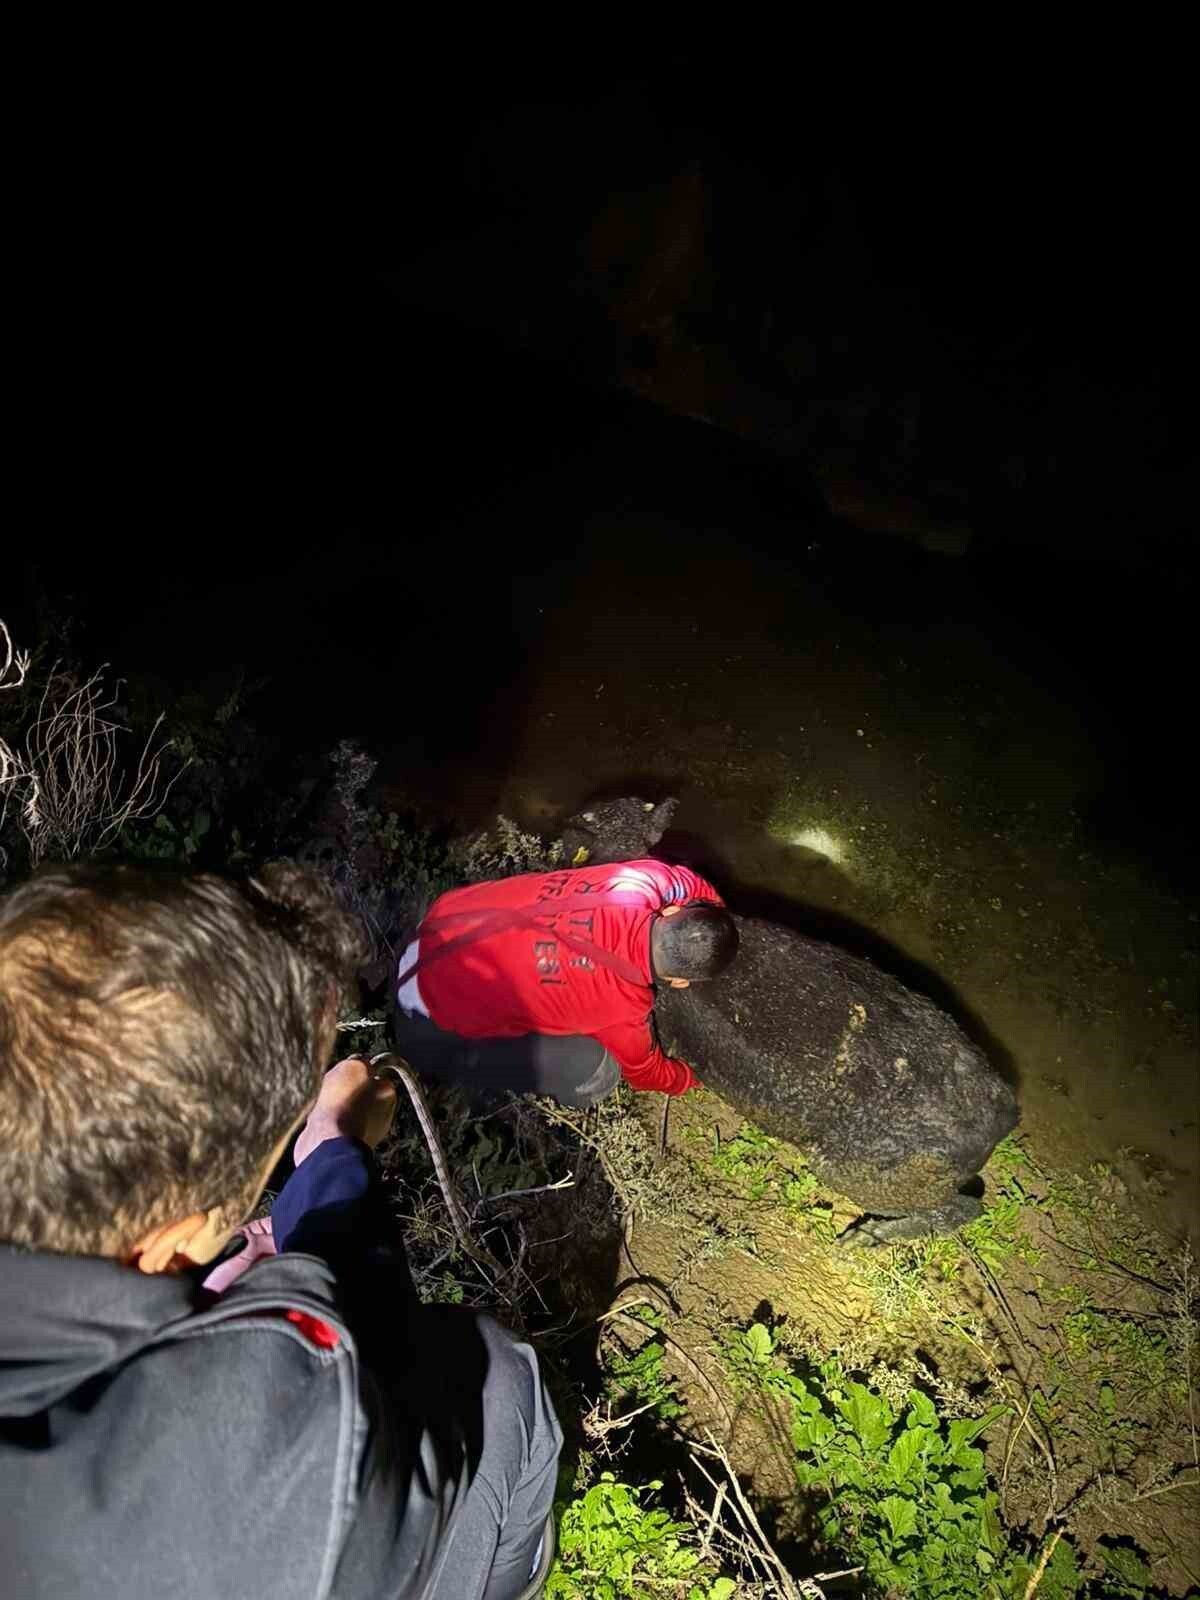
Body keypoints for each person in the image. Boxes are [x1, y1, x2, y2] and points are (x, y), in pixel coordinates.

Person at [0, 862, 561, 1600]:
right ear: (169, 1243)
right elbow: (344, 1387)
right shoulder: (275, 1464)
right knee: (498, 1374)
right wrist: (330, 1149)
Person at [392, 857, 738, 1105]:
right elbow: (647, 1074)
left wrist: (713, 908)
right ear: (678, 981)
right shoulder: (623, 1009)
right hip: (428, 1012)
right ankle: (460, 1071)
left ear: (672, 911)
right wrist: (691, 1079)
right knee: (597, 1072)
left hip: (438, 923)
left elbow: (685, 881)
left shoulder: (639, 881)